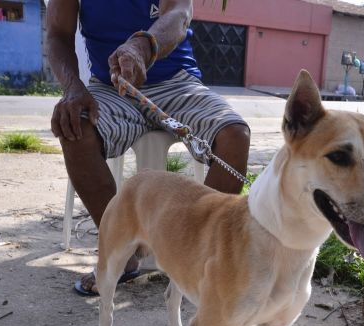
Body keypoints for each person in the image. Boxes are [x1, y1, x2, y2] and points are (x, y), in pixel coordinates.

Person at [46, 0, 250, 294]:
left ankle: (197, 257)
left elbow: (179, 14)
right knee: (75, 130)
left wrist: (144, 46)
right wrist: (72, 87)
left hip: (177, 82)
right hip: (109, 85)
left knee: (235, 136)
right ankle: (121, 253)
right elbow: (57, 34)